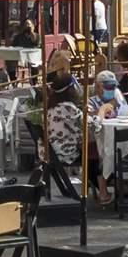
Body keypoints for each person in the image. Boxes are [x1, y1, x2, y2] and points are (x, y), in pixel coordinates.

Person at [43, 72, 114, 205]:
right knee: (94, 149)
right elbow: (93, 126)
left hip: (55, 150)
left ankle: (103, 187)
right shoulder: (67, 107)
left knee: (92, 148)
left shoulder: (54, 106)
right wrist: (102, 110)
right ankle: (104, 191)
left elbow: (79, 124)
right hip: (65, 152)